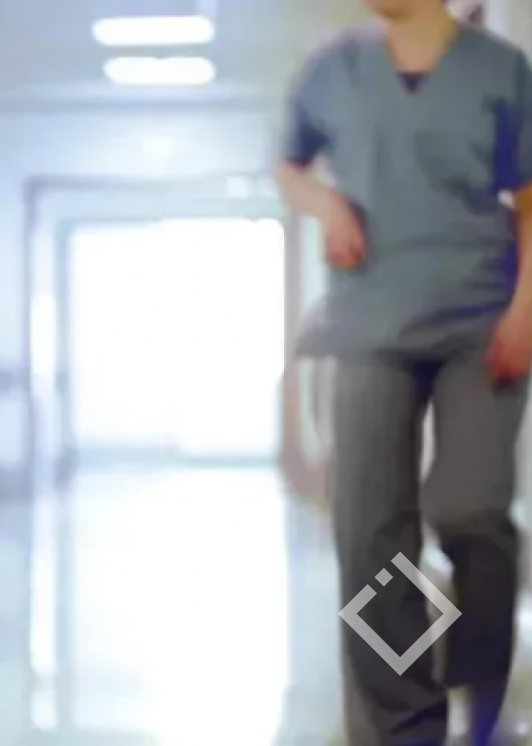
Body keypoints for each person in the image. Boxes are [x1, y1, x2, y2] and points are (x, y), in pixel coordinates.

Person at [275, 1, 532, 744]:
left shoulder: (500, 72)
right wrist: (325, 203)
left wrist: (525, 309)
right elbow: (288, 166)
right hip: (369, 323)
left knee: (469, 509)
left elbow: (529, 202)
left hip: (480, 323)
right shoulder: (333, 71)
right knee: (369, 533)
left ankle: (481, 690)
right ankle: (403, 722)